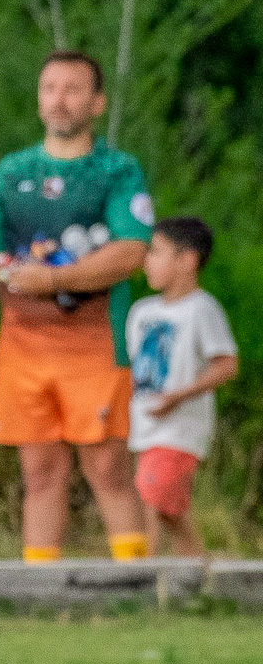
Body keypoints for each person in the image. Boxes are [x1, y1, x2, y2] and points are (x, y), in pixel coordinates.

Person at [0, 50, 155, 563]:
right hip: (23, 342)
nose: (60, 99)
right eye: (50, 87)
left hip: (97, 339)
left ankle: (139, 588)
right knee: (39, 471)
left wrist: (53, 278)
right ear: (38, 98)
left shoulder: (117, 170)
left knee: (107, 468)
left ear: (97, 101)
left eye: (73, 89)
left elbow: (131, 252)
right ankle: (41, 590)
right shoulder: (12, 172)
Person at [126, 217, 238, 556]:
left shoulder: (202, 309)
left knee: (152, 492)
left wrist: (178, 397)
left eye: (156, 252)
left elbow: (226, 365)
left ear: (187, 260)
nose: (147, 260)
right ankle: (197, 568)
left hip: (180, 428)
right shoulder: (141, 311)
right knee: (165, 507)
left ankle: (143, 576)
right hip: (145, 423)